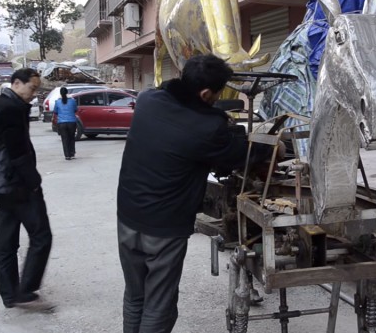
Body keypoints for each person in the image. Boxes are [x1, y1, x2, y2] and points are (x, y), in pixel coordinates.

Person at [116, 54, 273, 332]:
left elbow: (170, 96)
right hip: (164, 228)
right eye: (216, 94)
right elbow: (239, 154)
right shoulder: (207, 128)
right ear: (205, 93)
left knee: (135, 293)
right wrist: (273, 148)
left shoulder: (147, 100)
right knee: (159, 304)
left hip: (128, 215)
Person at [0, 68, 53, 311]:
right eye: (32, 88)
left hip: (0, 183)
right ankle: (25, 291)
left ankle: (10, 295)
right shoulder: (11, 109)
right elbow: (18, 153)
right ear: (17, 83)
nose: (34, 94)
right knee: (41, 236)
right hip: (16, 183)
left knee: (6, 241)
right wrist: (34, 183)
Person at [53, 87, 78, 160]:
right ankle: (72, 153)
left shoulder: (57, 102)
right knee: (71, 138)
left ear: (60, 93)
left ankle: (67, 155)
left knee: (64, 139)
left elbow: (55, 111)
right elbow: (75, 109)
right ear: (67, 93)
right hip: (71, 122)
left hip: (61, 123)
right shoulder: (72, 101)